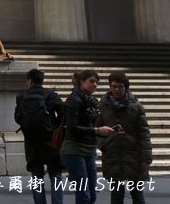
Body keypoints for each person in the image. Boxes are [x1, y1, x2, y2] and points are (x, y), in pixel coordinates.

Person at [95, 71, 152, 204]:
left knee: (137, 194)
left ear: (126, 87)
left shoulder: (136, 107)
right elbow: (96, 129)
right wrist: (103, 144)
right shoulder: (102, 106)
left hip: (134, 154)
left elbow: (144, 133)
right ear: (110, 87)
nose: (117, 89)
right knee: (116, 195)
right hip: (112, 154)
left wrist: (146, 158)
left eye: (120, 86)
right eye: (114, 86)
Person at [60, 70, 114, 204]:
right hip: (74, 149)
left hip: (89, 149)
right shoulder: (73, 99)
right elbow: (72, 127)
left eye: (97, 82)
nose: (95, 85)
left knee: (92, 194)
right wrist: (97, 130)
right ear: (81, 82)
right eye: (91, 81)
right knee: (83, 193)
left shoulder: (92, 101)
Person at [14, 69, 63, 204]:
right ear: (42, 80)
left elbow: (18, 118)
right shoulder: (51, 95)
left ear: (29, 80)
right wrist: (54, 127)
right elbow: (63, 115)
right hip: (51, 141)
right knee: (56, 176)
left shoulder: (21, 97)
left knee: (36, 178)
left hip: (32, 142)